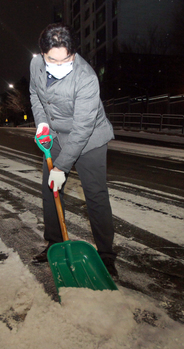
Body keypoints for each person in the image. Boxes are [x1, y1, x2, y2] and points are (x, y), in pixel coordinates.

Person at [29, 23, 118, 277]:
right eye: (51, 60)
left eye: (65, 59)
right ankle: (54, 243)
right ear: (43, 54)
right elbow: (35, 94)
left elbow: (82, 129)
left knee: (95, 195)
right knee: (51, 191)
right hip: (55, 135)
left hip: (89, 139)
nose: (58, 65)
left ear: (73, 54)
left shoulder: (86, 78)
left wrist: (62, 166)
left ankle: (106, 255)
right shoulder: (35, 66)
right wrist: (42, 123)